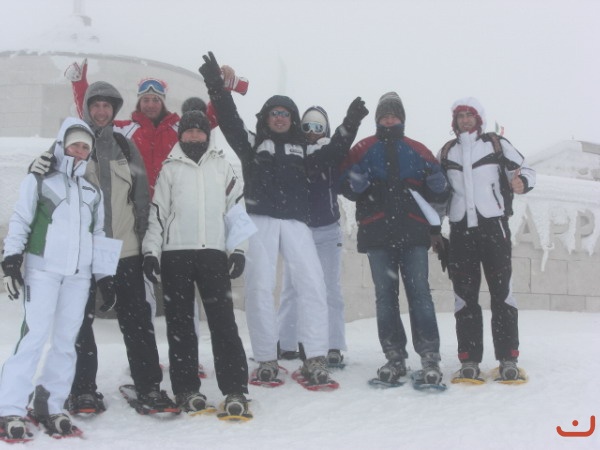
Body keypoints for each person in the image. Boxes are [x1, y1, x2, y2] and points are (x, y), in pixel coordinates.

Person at [199, 51, 368, 386]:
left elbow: (334, 151)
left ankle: (315, 357)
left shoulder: (304, 150)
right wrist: (216, 87)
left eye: (286, 114)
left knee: (312, 285)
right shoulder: (252, 144)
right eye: (274, 113)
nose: (280, 118)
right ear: (266, 117)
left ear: (293, 119)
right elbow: (230, 121)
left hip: (296, 223)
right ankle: (266, 358)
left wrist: (351, 122)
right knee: (259, 288)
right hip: (260, 220)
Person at [31, 81, 177, 414]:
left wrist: (146, 245)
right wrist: (35, 168)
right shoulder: (69, 144)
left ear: (114, 110)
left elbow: (141, 196)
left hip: (124, 249)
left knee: (137, 320)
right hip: (81, 252)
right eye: (95, 105)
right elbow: (43, 185)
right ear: (86, 108)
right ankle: (83, 389)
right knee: (79, 322)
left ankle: (149, 387)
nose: (101, 111)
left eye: (107, 106)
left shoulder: (125, 146)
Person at [0, 118, 109, 439]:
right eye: (74, 145)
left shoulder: (92, 191)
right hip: (43, 272)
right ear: (62, 146)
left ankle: (50, 402)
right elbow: (21, 219)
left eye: (85, 147)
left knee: (66, 341)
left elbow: (99, 234)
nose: (80, 151)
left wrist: (105, 276)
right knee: (33, 337)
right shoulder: (39, 180)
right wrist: (11, 261)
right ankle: (10, 406)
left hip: (78, 277)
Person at [142, 110, 251, 416]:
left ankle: (235, 388)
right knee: (180, 326)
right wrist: (151, 252)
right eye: (188, 131)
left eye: (199, 130)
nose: (193, 135)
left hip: (213, 255)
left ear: (207, 134)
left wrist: (238, 250)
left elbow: (236, 209)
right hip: (175, 255)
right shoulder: (170, 168)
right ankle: (187, 388)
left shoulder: (222, 166)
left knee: (224, 323)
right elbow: (158, 214)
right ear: (181, 135)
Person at [339, 91, 450, 386]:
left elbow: (440, 190)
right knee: (385, 298)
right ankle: (394, 356)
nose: (389, 120)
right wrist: (354, 184)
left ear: (402, 119)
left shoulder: (418, 149)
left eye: (394, 115)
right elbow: (341, 181)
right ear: (377, 119)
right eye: (385, 116)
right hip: (377, 234)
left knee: (420, 295)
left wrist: (437, 186)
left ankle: (430, 356)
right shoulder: (362, 148)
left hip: (413, 234)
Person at [439, 97, 535, 382]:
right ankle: (469, 360)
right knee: (464, 298)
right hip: (460, 232)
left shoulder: (496, 145)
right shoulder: (447, 151)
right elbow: (436, 189)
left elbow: (526, 170)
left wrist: (522, 182)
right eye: (460, 116)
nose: (465, 120)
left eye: (470, 115)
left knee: (502, 294)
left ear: (479, 118)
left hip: (494, 228)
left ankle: (508, 358)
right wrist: (432, 227)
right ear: (454, 121)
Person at [277, 106, 347, 366]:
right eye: (307, 126)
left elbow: (344, 178)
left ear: (325, 130)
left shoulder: (332, 152)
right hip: (299, 230)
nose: (312, 132)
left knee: (330, 289)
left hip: (327, 229)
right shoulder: (293, 152)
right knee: (291, 287)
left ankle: (332, 345)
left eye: (318, 127)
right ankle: (286, 342)